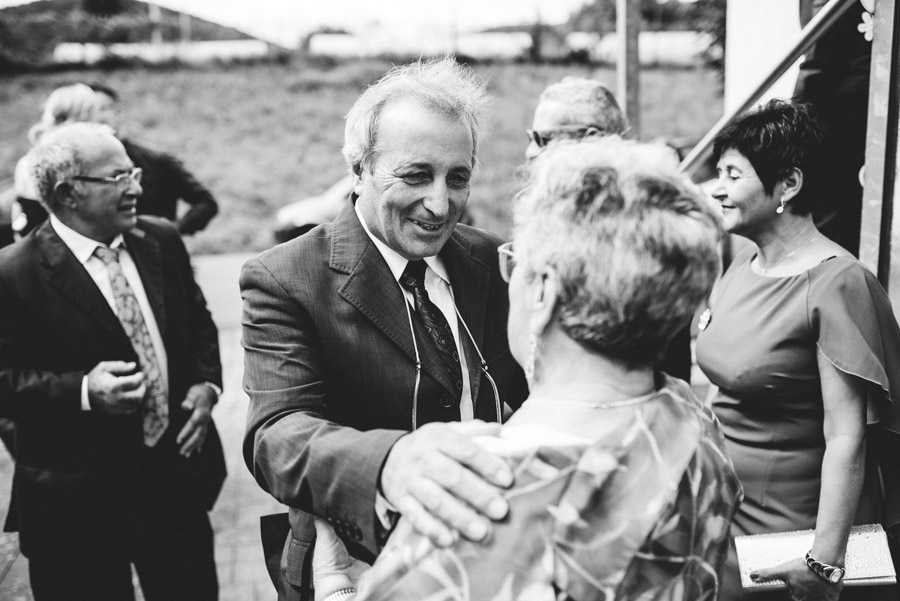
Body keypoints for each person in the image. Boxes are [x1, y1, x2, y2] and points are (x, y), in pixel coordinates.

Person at [312, 138, 743, 601]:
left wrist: (337, 586)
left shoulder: (476, 511)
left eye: (514, 264)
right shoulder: (691, 420)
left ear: (543, 291)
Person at [240, 57, 529, 600]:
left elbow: (534, 389)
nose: (440, 204)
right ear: (357, 170)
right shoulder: (283, 277)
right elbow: (275, 435)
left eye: (458, 178)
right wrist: (389, 463)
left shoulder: (491, 259)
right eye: (416, 175)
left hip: (489, 556)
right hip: (353, 566)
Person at [0, 122, 226, 601]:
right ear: (69, 192)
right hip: (75, 502)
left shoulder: (161, 239)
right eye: (119, 178)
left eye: (134, 173)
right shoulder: (12, 274)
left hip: (173, 482)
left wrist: (208, 387)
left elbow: (199, 321)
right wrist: (83, 390)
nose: (137, 189)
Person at [696, 99, 900, 601]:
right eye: (716, 172)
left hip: (790, 532)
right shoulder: (744, 264)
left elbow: (847, 436)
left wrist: (823, 561)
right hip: (724, 511)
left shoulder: (836, 284)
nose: (716, 189)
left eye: (732, 174)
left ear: (787, 184)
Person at [525, 76, 693, 382]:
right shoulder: (556, 218)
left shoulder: (645, 227)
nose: (530, 153)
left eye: (543, 139)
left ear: (591, 137)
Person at [89, 82, 219, 236]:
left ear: (118, 112)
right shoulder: (82, 169)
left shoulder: (158, 161)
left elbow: (206, 202)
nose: (95, 117)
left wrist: (172, 232)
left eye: (102, 109)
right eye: (88, 111)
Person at [12, 83, 101, 239]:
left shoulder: (27, 161)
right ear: (86, 114)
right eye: (95, 113)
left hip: (30, 242)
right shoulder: (81, 158)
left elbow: (19, 212)